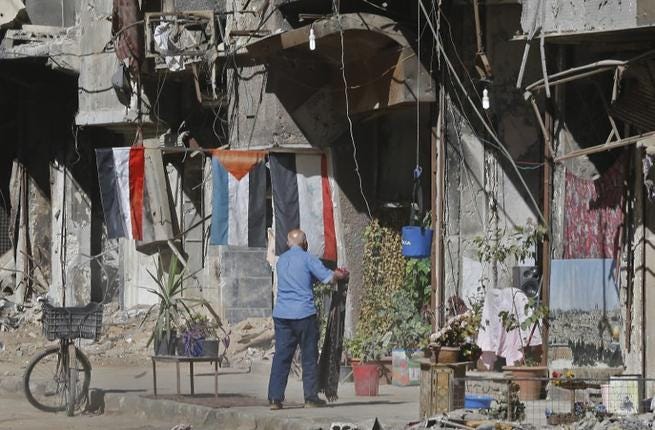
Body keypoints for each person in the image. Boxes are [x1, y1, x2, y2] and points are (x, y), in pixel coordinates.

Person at [267, 228, 349, 410]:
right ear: (305, 244)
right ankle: (311, 398)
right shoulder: (308, 258)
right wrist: (340, 274)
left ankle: (274, 398)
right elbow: (329, 279)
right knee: (309, 357)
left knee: (281, 356)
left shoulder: (281, 261)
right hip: (304, 314)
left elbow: (300, 278)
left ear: (288, 243)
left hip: (282, 315)